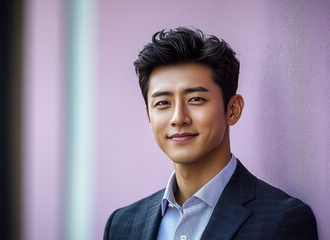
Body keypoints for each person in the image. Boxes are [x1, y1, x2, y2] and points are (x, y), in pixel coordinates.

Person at [103, 27, 318, 240]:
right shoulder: (122, 225)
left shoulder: (282, 221)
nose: (178, 117)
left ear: (232, 110)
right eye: (163, 103)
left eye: (196, 99)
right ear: (149, 117)